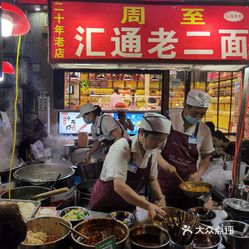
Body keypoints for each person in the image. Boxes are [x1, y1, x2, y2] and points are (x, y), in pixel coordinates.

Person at [88, 113, 172, 219]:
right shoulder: (122, 147)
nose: (159, 144)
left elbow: (152, 178)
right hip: (104, 205)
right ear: (141, 132)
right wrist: (148, 205)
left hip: (127, 205)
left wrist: (160, 196)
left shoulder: (152, 151)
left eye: (162, 140)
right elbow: (119, 186)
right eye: (156, 139)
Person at [157, 89, 214, 209]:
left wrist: (199, 173)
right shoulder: (169, 121)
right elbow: (154, 151)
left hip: (189, 186)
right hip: (164, 182)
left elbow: (205, 157)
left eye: (202, 114)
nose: (198, 117)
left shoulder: (205, 130)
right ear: (185, 106)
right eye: (195, 113)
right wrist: (166, 165)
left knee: (186, 218)